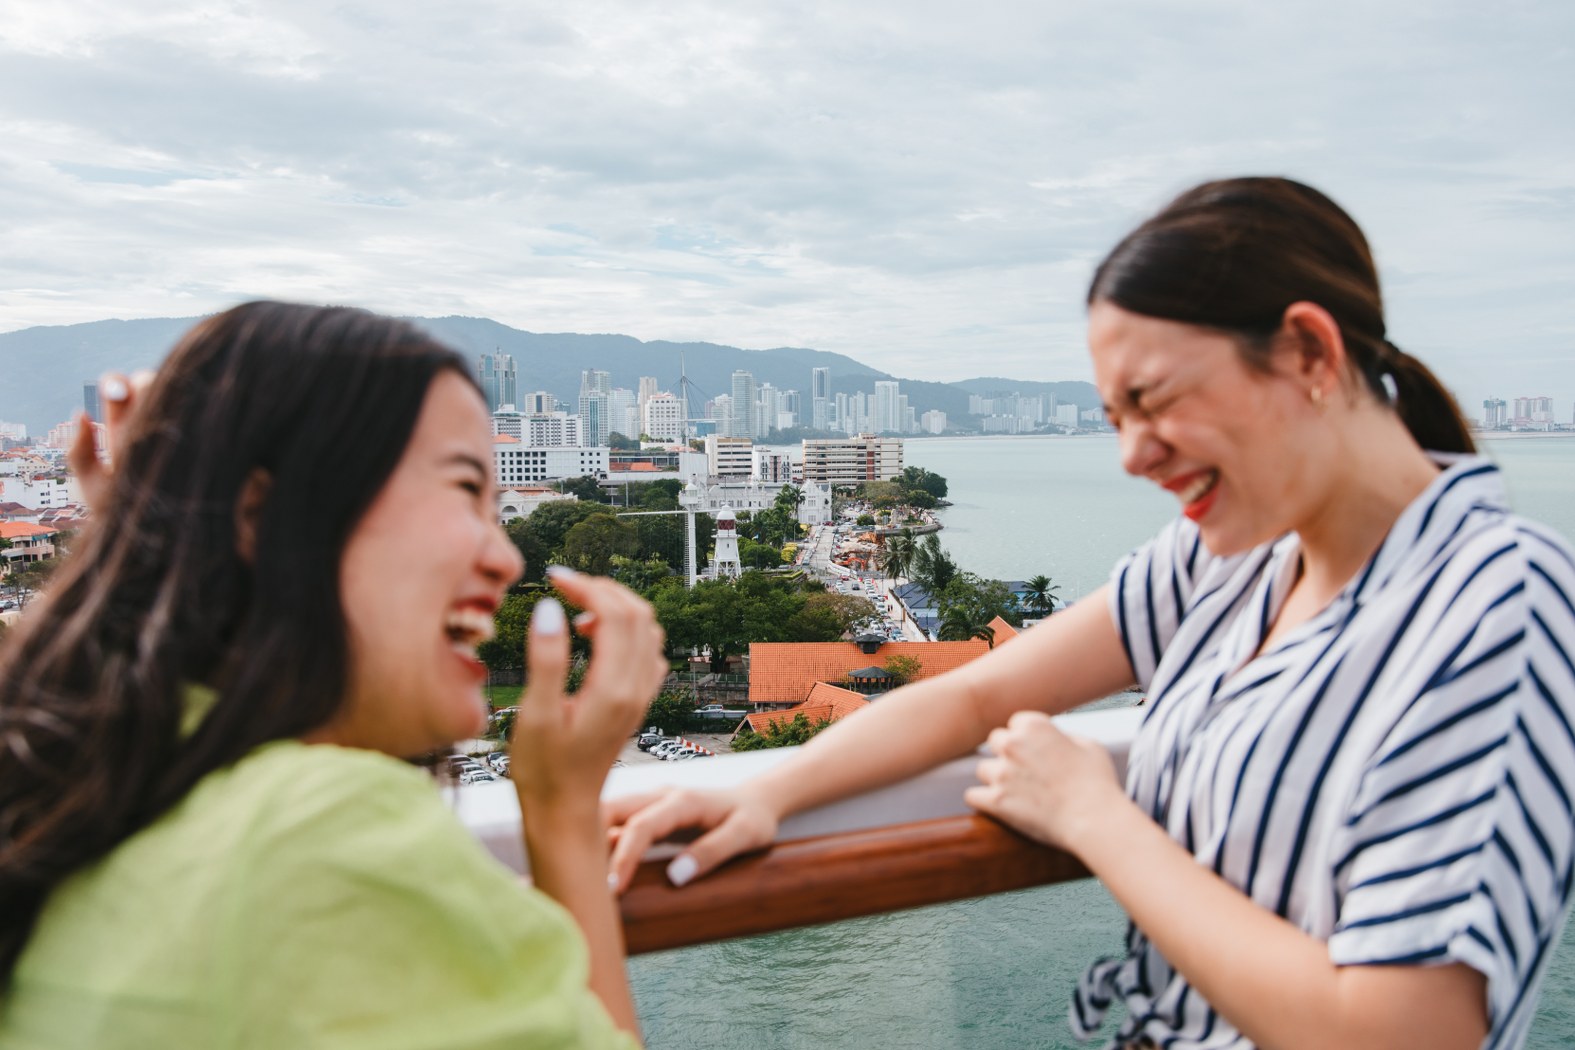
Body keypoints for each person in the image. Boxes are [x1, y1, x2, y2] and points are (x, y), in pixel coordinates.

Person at [607, 178, 1575, 1050]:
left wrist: (1092, 817)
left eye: (1153, 400)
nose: (1133, 456)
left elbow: (1409, 1035)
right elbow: (975, 695)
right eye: (1115, 418)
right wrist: (769, 791)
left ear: (1309, 352)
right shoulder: (1227, 564)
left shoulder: (1500, 602)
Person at [0, 302, 668, 1047]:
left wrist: (170, 557)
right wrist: (563, 812)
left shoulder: (79, 768)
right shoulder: (319, 831)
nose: (505, 558)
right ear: (258, 512)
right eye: (462, 490)